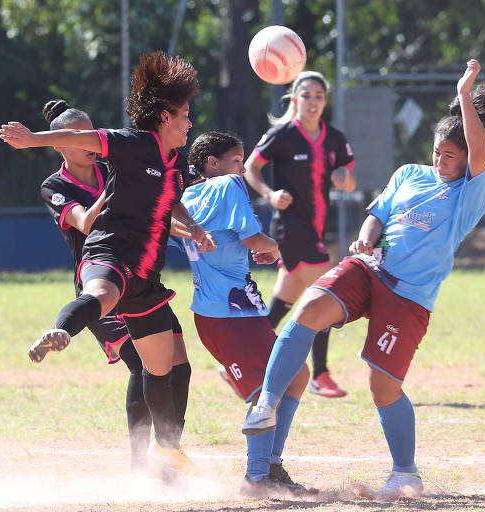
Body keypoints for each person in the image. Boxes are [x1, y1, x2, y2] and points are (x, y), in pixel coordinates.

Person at [242, 60, 485, 499]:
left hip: (410, 295)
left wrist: (463, 94)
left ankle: (404, 473)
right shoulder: (410, 175)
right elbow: (377, 216)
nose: (440, 161)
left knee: (383, 385)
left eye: (449, 156)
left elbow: (476, 147)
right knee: (305, 312)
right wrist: (364, 241)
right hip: (370, 269)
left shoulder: (472, 191)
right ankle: (266, 404)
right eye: (437, 151)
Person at [0, 51, 215, 475]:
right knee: (102, 294)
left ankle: (165, 452)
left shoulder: (172, 166)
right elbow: (86, 139)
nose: (190, 123)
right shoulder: (135, 143)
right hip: (109, 254)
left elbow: (171, 204)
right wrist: (31, 140)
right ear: (166, 115)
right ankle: (61, 329)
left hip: (147, 279)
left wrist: (194, 229)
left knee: (163, 368)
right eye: (186, 115)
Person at [37, 99, 192, 472]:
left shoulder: (114, 165)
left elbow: (150, 207)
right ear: (59, 143)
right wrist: (119, 183)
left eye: (88, 132)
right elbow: (87, 223)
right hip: (102, 280)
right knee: (141, 365)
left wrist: (192, 231)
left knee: (179, 363)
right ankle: (143, 464)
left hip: (140, 275)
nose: (86, 142)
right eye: (75, 136)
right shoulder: (55, 185)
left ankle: (167, 450)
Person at [176, 131, 313, 496]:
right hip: (229, 315)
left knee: (296, 374)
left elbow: (226, 240)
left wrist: (254, 246)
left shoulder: (187, 196)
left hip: (225, 312)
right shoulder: (230, 184)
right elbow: (254, 239)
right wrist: (274, 247)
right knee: (264, 392)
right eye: (236, 159)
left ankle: (269, 466)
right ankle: (257, 476)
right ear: (213, 163)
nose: (241, 167)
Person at [242, 70, 357, 398]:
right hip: (291, 228)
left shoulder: (334, 138)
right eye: (306, 96)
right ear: (295, 100)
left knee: (285, 301)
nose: (313, 102)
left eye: (319, 96)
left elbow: (352, 182)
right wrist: (270, 195)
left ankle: (240, 357)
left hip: (314, 228)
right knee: (324, 296)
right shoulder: (283, 135)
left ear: (325, 101)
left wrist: (343, 175)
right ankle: (320, 374)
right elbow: (250, 167)